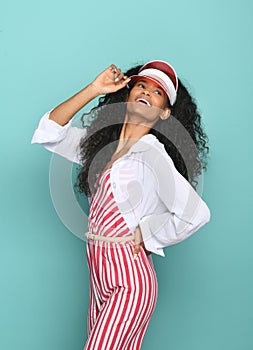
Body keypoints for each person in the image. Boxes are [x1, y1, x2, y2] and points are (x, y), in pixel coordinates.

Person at [31, 60, 211, 349]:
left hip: (130, 281)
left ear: (165, 113)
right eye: (141, 85)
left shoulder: (152, 153)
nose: (147, 92)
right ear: (127, 95)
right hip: (98, 276)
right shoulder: (101, 148)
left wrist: (149, 230)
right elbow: (50, 132)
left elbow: (197, 214)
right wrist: (93, 89)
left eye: (158, 92)